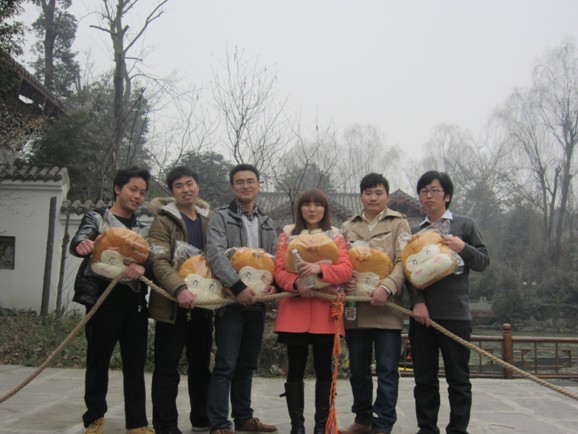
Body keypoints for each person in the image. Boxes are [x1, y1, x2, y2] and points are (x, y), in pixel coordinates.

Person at [70, 166, 153, 434]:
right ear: (118, 189)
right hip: (101, 301)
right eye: (132, 189)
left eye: (142, 192)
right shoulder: (97, 219)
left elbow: (151, 260)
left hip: (134, 304)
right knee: (98, 362)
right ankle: (94, 418)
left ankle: (137, 423)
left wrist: (143, 267)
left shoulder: (142, 229)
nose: (137, 196)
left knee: (135, 365)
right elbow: (81, 239)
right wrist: (83, 245)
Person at [408, 171, 489, 434]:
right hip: (422, 316)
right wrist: (417, 302)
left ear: (447, 195)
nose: (428, 195)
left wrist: (462, 247)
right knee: (424, 379)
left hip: (456, 315)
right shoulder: (415, 232)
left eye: (435, 190)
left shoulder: (464, 225)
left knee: (458, 379)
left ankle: (458, 429)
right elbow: (409, 273)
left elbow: (483, 262)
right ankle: (426, 428)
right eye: (424, 191)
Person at [205, 164, 279, 434]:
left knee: (247, 363)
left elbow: (275, 259)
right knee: (226, 363)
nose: (246, 186)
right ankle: (219, 423)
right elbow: (215, 255)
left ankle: (244, 418)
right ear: (232, 186)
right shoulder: (220, 217)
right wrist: (237, 287)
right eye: (240, 182)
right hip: (230, 301)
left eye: (250, 181)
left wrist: (273, 285)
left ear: (258, 184)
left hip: (258, 302)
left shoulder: (268, 222)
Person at [274, 189, 353, 434]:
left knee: (324, 370)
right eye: (306, 204)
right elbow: (279, 270)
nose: (312, 209)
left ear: (325, 210)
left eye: (318, 205)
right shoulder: (287, 236)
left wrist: (319, 270)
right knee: (295, 370)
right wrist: (295, 283)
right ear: (299, 209)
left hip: (325, 312)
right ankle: (297, 426)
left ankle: (321, 426)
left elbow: (346, 270)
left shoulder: (336, 237)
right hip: (294, 311)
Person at [339, 173, 411, 434]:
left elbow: (405, 261)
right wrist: (344, 282)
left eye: (378, 193)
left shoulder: (399, 223)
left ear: (387, 196)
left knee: (387, 370)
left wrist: (387, 287)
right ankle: (363, 420)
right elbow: (341, 261)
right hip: (355, 310)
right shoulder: (349, 226)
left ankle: (382, 424)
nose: (373, 197)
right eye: (368, 193)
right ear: (361, 196)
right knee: (357, 369)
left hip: (386, 309)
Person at [148, 166, 214, 434]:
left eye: (190, 183)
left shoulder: (209, 219)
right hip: (171, 306)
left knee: (201, 365)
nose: (186, 189)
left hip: (204, 304)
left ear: (198, 186)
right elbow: (158, 261)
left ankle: (202, 418)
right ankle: (165, 425)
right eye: (179, 185)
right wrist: (179, 289)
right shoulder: (163, 221)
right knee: (167, 368)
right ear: (172, 191)